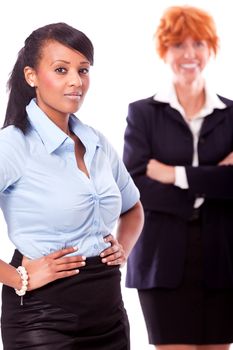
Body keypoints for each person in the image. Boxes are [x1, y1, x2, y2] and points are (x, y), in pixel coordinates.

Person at [0, 22, 144, 350]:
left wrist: (123, 248)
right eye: (61, 69)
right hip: (42, 316)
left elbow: (133, 206)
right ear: (31, 75)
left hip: (109, 312)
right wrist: (19, 276)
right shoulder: (12, 145)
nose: (76, 82)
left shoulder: (96, 142)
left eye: (83, 70)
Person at [123, 5, 233, 350]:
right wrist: (214, 180)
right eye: (178, 45)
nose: (190, 54)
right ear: (164, 51)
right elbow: (135, 186)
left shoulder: (232, 115)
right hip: (162, 257)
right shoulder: (143, 113)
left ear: (211, 49)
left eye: (198, 44)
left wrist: (175, 174)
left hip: (224, 255)